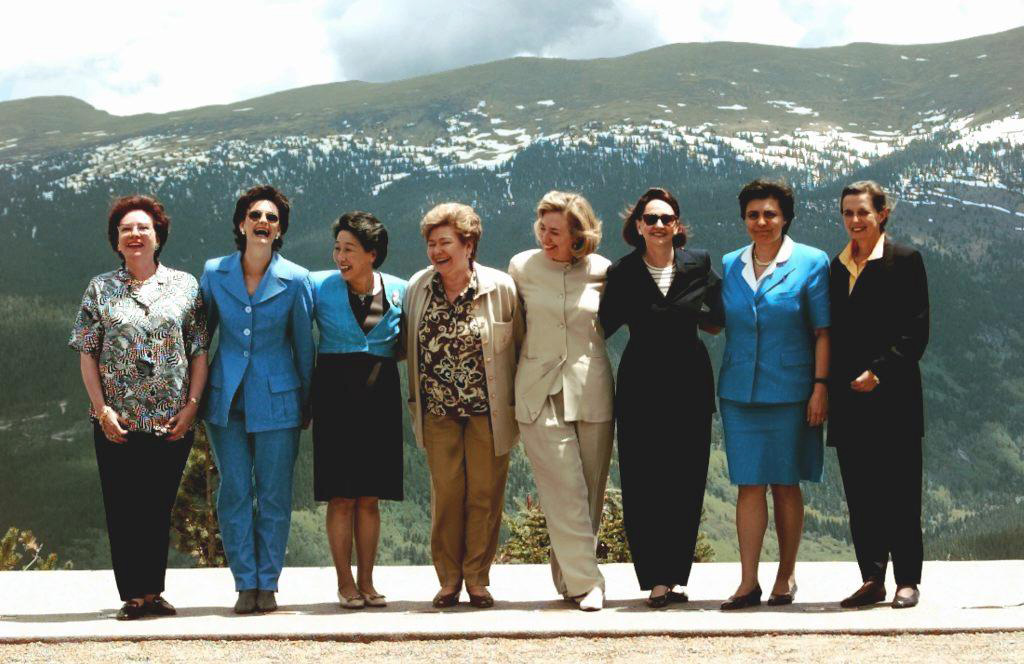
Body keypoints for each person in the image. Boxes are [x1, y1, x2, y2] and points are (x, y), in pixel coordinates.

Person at [69, 195, 208, 620]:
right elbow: (87, 352)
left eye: (142, 228)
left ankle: (154, 591)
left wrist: (192, 408)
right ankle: (134, 596)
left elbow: (199, 350)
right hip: (118, 420)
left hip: (171, 419)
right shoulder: (100, 288)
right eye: (126, 229)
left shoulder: (185, 286)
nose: (134, 234)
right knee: (123, 505)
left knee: (158, 505)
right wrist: (101, 410)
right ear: (116, 241)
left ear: (158, 236)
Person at [598, 187, 724, 608]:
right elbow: (600, 324)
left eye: (665, 219)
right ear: (637, 226)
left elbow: (719, 315)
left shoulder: (698, 264)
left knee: (686, 483)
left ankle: (676, 575)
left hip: (690, 385)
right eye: (649, 219)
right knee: (643, 482)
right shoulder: (622, 272)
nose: (657, 225)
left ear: (677, 225)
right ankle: (654, 579)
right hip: (640, 388)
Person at [200, 185, 314, 614]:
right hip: (224, 399)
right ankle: (243, 581)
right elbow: (201, 338)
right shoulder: (215, 272)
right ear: (241, 224)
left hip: (279, 400)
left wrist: (307, 401)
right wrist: (194, 397)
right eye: (255, 215)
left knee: (273, 493)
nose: (263, 222)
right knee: (232, 490)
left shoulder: (296, 278)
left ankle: (268, 583)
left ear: (280, 229)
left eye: (271, 217)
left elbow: (304, 345)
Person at [718, 179, 830, 610]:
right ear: (744, 219)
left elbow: (823, 332)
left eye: (770, 214)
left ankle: (785, 575)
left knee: (785, 483)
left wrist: (820, 388)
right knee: (748, 484)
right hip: (738, 393)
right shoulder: (730, 263)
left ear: (785, 218)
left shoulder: (810, 261)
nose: (761, 222)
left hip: (791, 391)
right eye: (753, 215)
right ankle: (748, 582)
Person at [404, 203, 522, 609]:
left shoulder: (501, 287)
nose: (437, 251)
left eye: (445, 242)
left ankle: (477, 578)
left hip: (487, 411)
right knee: (448, 494)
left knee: (485, 495)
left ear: (468, 244)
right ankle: (448, 580)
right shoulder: (418, 288)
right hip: (437, 411)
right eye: (432, 243)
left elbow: (519, 345)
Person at [508, 191, 614, 611]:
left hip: (592, 388)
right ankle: (589, 583)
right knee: (562, 489)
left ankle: (568, 579)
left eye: (555, 232)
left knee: (589, 492)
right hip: (537, 390)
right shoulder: (521, 267)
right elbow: (510, 327)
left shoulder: (603, 271)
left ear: (578, 235)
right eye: (542, 229)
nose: (545, 238)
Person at [829, 181, 929, 610]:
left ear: (882, 214)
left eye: (862, 213)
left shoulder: (905, 261)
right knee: (861, 493)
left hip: (894, 396)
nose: (855, 221)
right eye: (848, 213)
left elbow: (917, 331)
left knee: (901, 491)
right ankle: (872, 578)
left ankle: (908, 579)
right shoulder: (836, 267)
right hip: (849, 399)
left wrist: (879, 372)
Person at [310, 211, 407, 610]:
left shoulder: (401, 289)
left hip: (380, 393)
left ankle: (368, 580)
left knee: (370, 496)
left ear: (372, 253)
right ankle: (344, 581)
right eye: (337, 248)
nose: (340, 256)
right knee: (341, 496)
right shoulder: (318, 287)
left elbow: (406, 344)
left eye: (349, 249)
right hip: (333, 392)